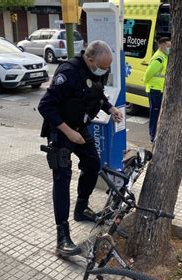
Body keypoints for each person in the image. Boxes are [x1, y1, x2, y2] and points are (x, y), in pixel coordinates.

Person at [38, 40, 124, 257]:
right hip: (61, 132)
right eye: (103, 66)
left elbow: (97, 95)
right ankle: (62, 238)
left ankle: (81, 208)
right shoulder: (68, 73)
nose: (105, 70)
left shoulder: (96, 71)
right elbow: (45, 106)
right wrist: (68, 132)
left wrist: (110, 108)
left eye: (107, 67)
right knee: (62, 180)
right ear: (90, 59)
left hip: (80, 128)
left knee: (93, 164)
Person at [143, 37, 171, 143]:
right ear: (161, 45)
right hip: (155, 90)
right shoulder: (159, 58)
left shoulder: (164, 56)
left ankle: (156, 134)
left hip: (159, 89)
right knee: (155, 113)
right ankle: (153, 136)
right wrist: (148, 86)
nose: (169, 48)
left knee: (159, 112)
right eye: (168, 46)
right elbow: (147, 74)